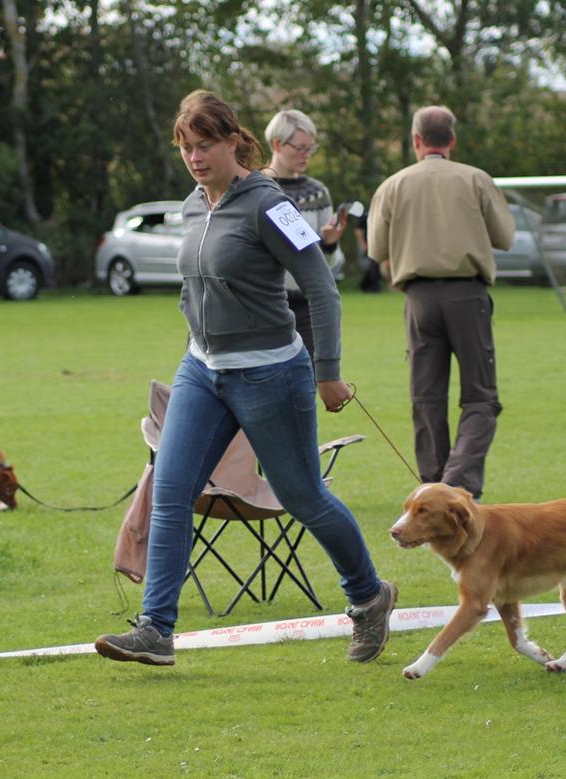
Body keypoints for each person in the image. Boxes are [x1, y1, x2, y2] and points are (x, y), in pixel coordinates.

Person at [95, 90, 396, 667]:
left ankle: (368, 596)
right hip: (201, 372)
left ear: (235, 141)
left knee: (304, 497)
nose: (195, 157)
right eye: (185, 146)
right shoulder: (190, 206)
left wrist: (327, 371)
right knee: (171, 491)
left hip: (271, 375)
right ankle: (156, 629)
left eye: (205, 144)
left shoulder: (269, 202)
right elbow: (194, 287)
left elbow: (321, 288)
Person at [367, 105, 514, 501]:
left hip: (418, 298)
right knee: (481, 397)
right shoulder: (476, 179)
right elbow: (505, 237)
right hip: (469, 294)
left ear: (416, 140)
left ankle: (434, 485)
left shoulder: (393, 185)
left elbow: (377, 248)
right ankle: (458, 482)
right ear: (452, 140)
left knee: (426, 396)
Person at [261, 109, 348, 357]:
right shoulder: (254, 188)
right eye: (300, 148)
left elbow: (329, 266)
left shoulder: (317, 193)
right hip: (265, 307)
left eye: (310, 148)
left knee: (307, 385)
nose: (306, 155)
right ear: (277, 144)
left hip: (308, 308)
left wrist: (329, 245)